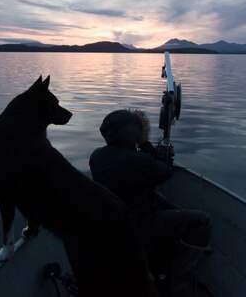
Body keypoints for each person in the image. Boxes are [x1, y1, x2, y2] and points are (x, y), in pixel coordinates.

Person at [89, 109, 212, 295]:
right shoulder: (139, 161)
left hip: (111, 229)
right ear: (133, 134)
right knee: (201, 221)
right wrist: (146, 144)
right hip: (139, 227)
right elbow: (166, 171)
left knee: (162, 204)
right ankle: (180, 284)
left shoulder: (96, 157)